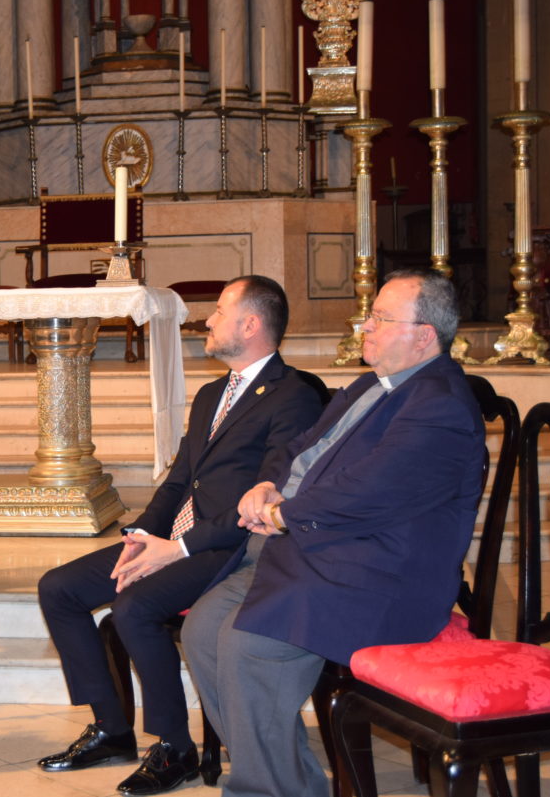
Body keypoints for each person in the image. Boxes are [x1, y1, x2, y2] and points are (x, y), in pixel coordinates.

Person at [180, 268, 487, 797]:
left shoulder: (440, 404)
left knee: (249, 643)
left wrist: (283, 516)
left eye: (380, 318)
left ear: (424, 335)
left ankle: (263, 789)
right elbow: (298, 444)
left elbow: (370, 491)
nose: (363, 325)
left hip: (374, 572)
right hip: (310, 551)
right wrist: (268, 483)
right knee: (202, 630)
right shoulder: (374, 383)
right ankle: (289, 781)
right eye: (370, 314)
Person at [37, 276, 325, 796]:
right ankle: (111, 728)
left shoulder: (295, 396)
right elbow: (179, 480)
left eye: (219, 310)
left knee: (134, 608)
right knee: (59, 588)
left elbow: (272, 496)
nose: (207, 320)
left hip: (229, 548)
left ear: (251, 323)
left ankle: (174, 747)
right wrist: (142, 534)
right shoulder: (213, 392)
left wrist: (179, 548)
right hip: (176, 537)